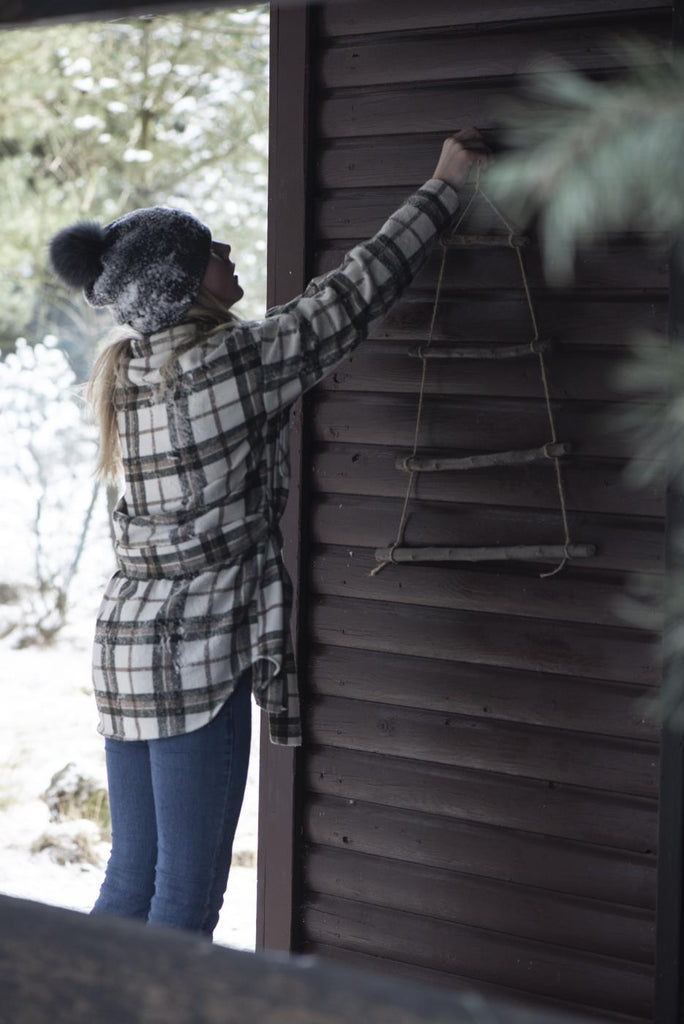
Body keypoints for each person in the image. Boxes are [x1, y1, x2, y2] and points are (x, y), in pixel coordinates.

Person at [48, 129, 487, 940]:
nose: (226, 250)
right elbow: (350, 296)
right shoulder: (234, 365)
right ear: (185, 285)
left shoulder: (131, 374)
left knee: (132, 876)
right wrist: (445, 186)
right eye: (207, 248)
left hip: (127, 653)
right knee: (184, 897)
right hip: (198, 656)